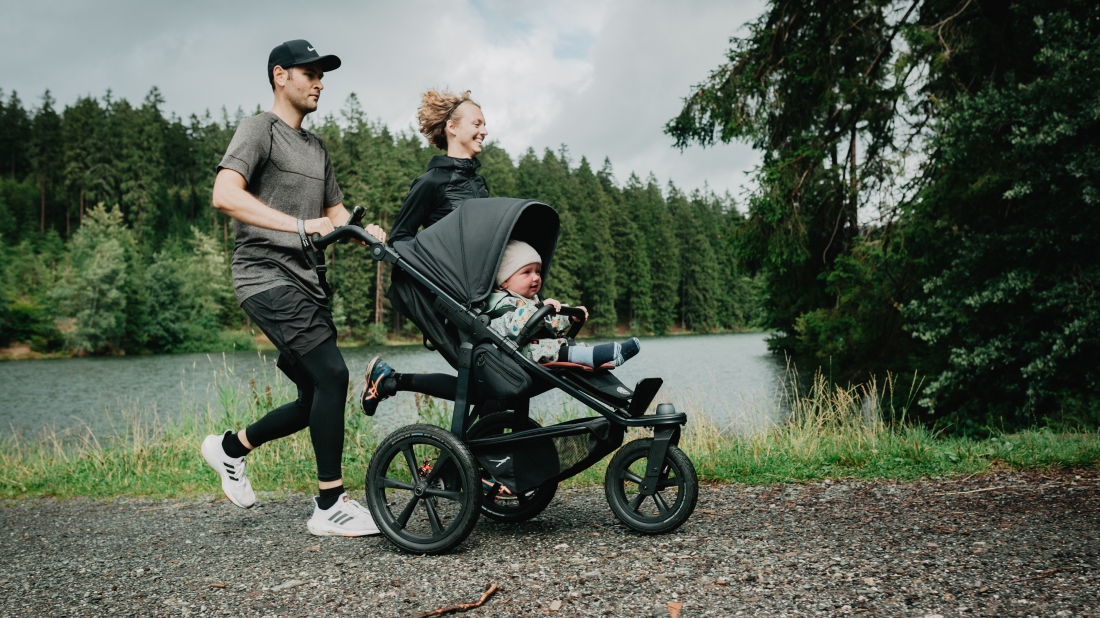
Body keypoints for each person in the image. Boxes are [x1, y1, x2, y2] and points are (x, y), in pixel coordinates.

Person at [199, 39, 386, 537]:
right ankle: (329, 504)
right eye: (310, 72)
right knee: (333, 376)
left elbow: (337, 216)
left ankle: (230, 449)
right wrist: (297, 228)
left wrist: (373, 235)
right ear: (281, 76)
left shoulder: (316, 149)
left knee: (313, 396)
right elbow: (224, 193)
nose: (320, 81)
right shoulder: (260, 129)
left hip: (305, 283)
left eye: (323, 74)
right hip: (263, 273)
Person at [359, 88, 489, 415]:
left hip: (479, 294)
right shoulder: (432, 182)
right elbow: (401, 238)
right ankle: (459, 461)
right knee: (485, 381)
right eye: (477, 123)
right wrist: (438, 273)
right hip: (444, 296)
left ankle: (389, 381)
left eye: (485, 124)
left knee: (489, 383)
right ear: (452, 128)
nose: (485, 130)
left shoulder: (480, 184)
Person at [488, 241, 641, 367]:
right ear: (505, 281)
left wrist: (568, 316)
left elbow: (547, 324)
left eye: (538, 272)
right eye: (527, 272)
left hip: (539, 349)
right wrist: (540, 308)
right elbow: (513, 325)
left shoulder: (531, 300)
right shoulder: (500, 304)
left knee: (568, 345)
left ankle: (607, 358)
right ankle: (597, 356)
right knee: (549, 347)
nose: (535, 278)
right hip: (515, 356)